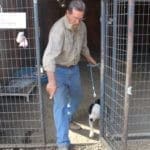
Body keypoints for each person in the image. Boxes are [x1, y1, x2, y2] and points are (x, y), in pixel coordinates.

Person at [42, 0, 97, 149]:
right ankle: (63, 143)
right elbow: (48, 57)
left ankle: (66, 118)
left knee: (78, 96)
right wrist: (51, 82)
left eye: (81, 18)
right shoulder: (58, 30)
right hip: (58, 71)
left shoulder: (82, 26)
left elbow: (84, 47)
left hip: (74, 70)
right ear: (67, 13)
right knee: (59, 106)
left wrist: (91, 60)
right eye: (75, 18)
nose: (78, 21)